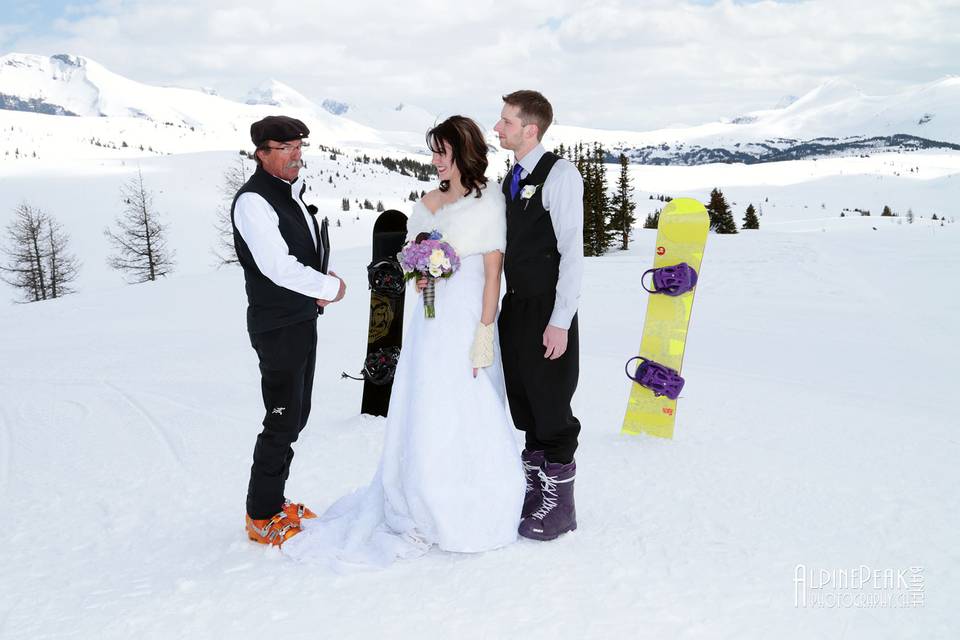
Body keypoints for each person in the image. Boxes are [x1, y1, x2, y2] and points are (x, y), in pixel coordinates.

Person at [282, 116, 525, 568]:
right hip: (433, 321)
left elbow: (494, 273)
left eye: (441, 152)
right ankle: (426, 495)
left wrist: (485, 333)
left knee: (473, 404)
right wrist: (425, 272)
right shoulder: (427, 204)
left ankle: (475, 500)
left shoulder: (489, 200)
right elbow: (419, 280)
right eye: (432, 151)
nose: (434, 161)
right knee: (429, 404)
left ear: (463, 151)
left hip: (472, 316)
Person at [231, 115, 347, 546]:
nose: (297, 154)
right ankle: (260, 514)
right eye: (286, 147)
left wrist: (316, 282)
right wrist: (328, 287)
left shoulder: (288, 193)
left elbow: (297, 254)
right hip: (277, 325)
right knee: (281, 419)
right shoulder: (253, 201)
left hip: (299, 319)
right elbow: (277, 266)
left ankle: (274, 501)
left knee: (296, 416)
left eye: (300, 145)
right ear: (262, 154)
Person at [493, 90, 584, 541]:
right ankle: (536, 490)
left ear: (531, 129)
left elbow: (572, 251)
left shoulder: (559, 175)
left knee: (551, 406)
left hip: (548, 311)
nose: (497, 128)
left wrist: (561, 320)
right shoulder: (512, 176)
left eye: (506, 122)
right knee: (526, 406)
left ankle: (561, 507)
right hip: (516, 308)